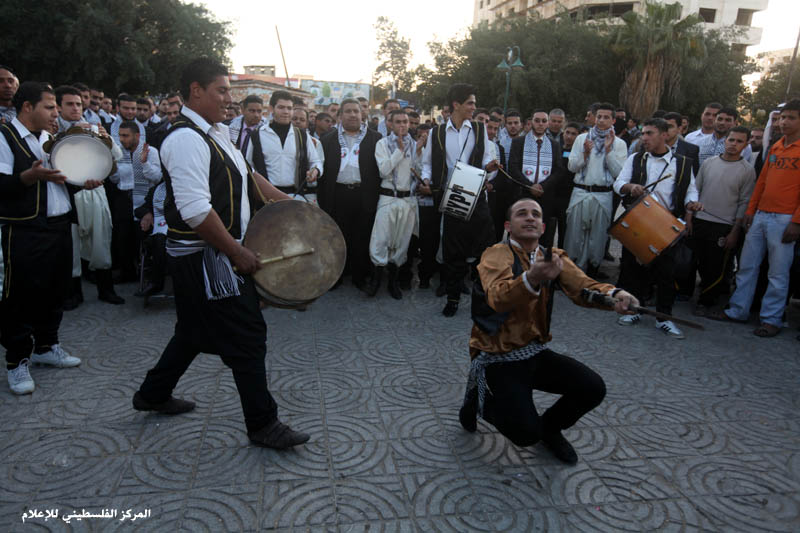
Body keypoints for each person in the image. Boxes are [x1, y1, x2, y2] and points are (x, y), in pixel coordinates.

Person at [133, 58, 309, 449]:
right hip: (205, 257)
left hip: (215, 253)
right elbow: (196, 211)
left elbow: (251, 178)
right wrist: (237, 253)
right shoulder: (184, 140)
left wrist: (296, 206)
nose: (230, 99)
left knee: (193, 332)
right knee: (248, 334)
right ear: (196, 91)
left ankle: (153, 393)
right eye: (222, 91)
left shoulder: (217, 133)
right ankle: (263, 424)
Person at [458, 197, 638, 464]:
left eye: (535, 214)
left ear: (543, 228)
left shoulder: (554, 257)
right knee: (525, 434)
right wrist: (532, 278)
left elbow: (582, 287)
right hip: (498, 357)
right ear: (508, 225)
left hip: (535, 353)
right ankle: (479, 398)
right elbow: (497, 296)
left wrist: (615, 295)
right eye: (522, 214)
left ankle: (551, 429)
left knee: (592, 387)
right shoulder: (496, 254)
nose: (530, 217)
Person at [1, 82, 104, 394]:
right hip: (24, 229)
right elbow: (2, 185)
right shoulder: (6, 137)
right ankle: (16, 362)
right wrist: (30, 176)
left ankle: (46, 346)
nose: (56, 114)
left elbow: (59, 183)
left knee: (54, 288)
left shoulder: (50, 140)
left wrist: (80, 183)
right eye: (49, 107)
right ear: (27, 107)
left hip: (58, 225)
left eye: (57, 109)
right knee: (20, 295)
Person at [711, 100, 800, 337]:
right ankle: (738, 310)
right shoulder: (777, 147)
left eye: (791, 117)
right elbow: (762, 182)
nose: (784, 122)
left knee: (778, 272)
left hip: (785, 219)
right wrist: (751, 210)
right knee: (747, 266)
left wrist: (796, 221)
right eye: (782, 117)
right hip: (760, 215)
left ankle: (771, 319)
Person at [613, 118, 702, 339]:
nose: (644, 138)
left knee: (666, 274)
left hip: (667, 225)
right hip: (639, 222)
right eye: (643, 134)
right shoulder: (635, 159)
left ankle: (664, 318)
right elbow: (618, 183)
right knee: (634, 271)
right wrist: (630, 186)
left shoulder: (682, 162)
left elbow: (691, 190)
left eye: (649, 134)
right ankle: (635, 310)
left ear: (664, 135)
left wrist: (692, 204)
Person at [421, 83, 498, 317]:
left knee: (486, 247)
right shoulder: (438, 132)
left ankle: (486, 297)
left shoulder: (479, 129)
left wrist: (490, 170)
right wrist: (425, 179)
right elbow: (427, 162)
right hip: (453, 193)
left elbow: (487, 160)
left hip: (476, 191)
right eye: (470, 103)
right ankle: (452, 298)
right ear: (457, 105)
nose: (474, 107)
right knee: (453, 249)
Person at [54, 85, 124, 307]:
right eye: (70, 104)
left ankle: (106, 289)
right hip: (68, 194)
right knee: (72, 245)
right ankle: (74, 293)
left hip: (95, 191)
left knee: (101, 241)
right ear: (58, 106)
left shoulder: (94, 127)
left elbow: (117, 156)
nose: (75, 108)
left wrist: (106, 139)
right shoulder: (53, 131)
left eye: (78, 103)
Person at [690, 126, 755, 316]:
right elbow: (695, 190)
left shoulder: (747, 170)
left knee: (716, 266)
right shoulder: (709, 163)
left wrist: (735, 230)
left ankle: (707, 301)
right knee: (697, 261)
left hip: (724, 225)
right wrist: (690, 216)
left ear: (745, 144)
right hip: (701, 220)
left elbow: (744, 202)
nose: (734, 144)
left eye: (739, 141)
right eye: (731, 140)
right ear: (725, 141)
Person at [319, 99, 382, 290]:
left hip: (364, 194)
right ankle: (336, 276)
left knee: (362, 236)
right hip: (337, 194)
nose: (353, 114)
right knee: (336, 237)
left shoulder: (376, 138)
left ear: (363, 114)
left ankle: (359, 276)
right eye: (348, 111)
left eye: (356, 111)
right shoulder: (328, 139)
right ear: (340, 116)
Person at [564, 103, 628, 276]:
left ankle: (592, 271)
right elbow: (572, 167)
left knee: (598, 236)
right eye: (599, 116)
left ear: (613, 120)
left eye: (606, 117)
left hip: (603, 194)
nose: (601, 120)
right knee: (574, 235)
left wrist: (608, 151)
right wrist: (584, 154)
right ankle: (571, 273)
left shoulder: (619, 144)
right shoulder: (582, 139)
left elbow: (619, 173)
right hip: (581, 192)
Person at [366, 109, 417, 299]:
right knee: (380, 240)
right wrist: (399, 152)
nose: (402, 125)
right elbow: (383, 170)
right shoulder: (382, 143)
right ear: (391, 124)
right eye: (398, 122)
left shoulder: (416, 144)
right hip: (388, 198)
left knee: (402, 242)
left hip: (408, 200)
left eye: (405, 122)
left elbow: (419, 169)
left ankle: (393, 282)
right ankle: (375, 280)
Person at [245, 90, 322, 204]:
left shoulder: (302, 135)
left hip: (296, 196)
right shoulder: (257, 135)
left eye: (289, 108)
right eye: (281, 107)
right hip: (267, 197)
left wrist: (315, 170)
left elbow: (316, 161)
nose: (286, 112)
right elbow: (248, 166)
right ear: (271, 109)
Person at [508, 109, 565, 248]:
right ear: (531, 122)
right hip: (523, 193)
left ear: (547, 124)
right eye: (537, 120)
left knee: (542, 232)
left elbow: (558, 170)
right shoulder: (518, 142)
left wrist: (543, 186)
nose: (540, 124)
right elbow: (513, 168)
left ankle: (540, 264)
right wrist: (529, 186)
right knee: (520, 229)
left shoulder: (554, 144)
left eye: (544, 121)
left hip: (545, 195)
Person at [554, 122, 580, 249]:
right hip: (554, 195)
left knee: (565, 230)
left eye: (573, 134)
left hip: (569, 196)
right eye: (567, 133)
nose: (569, 136)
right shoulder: (556, 148)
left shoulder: (579, 154)